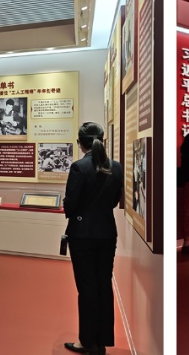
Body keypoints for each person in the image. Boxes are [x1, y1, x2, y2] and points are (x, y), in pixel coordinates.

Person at [61, 122, 123, 355]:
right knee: (104, 285)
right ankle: (103, 340)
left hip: (82, 234)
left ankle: (87, 341)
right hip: (107, 232)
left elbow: (70, 204)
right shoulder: (116, 167)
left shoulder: (79, 167)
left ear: (80, 143)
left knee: (87, 287)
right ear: (102, 140)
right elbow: (115, 200)